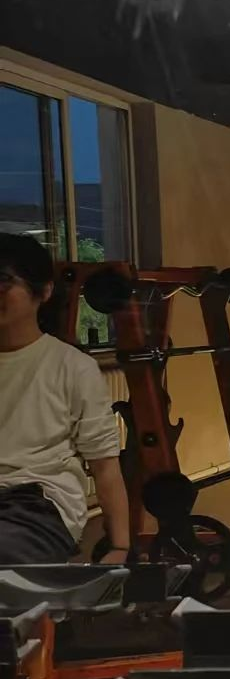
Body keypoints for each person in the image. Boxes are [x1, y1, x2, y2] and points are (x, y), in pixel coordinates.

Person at [0, 234, 130, 565]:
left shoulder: (72, 366)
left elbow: (104, 465)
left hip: (38, 501)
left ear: (43, 291)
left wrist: (120, 547)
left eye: (3, 282)